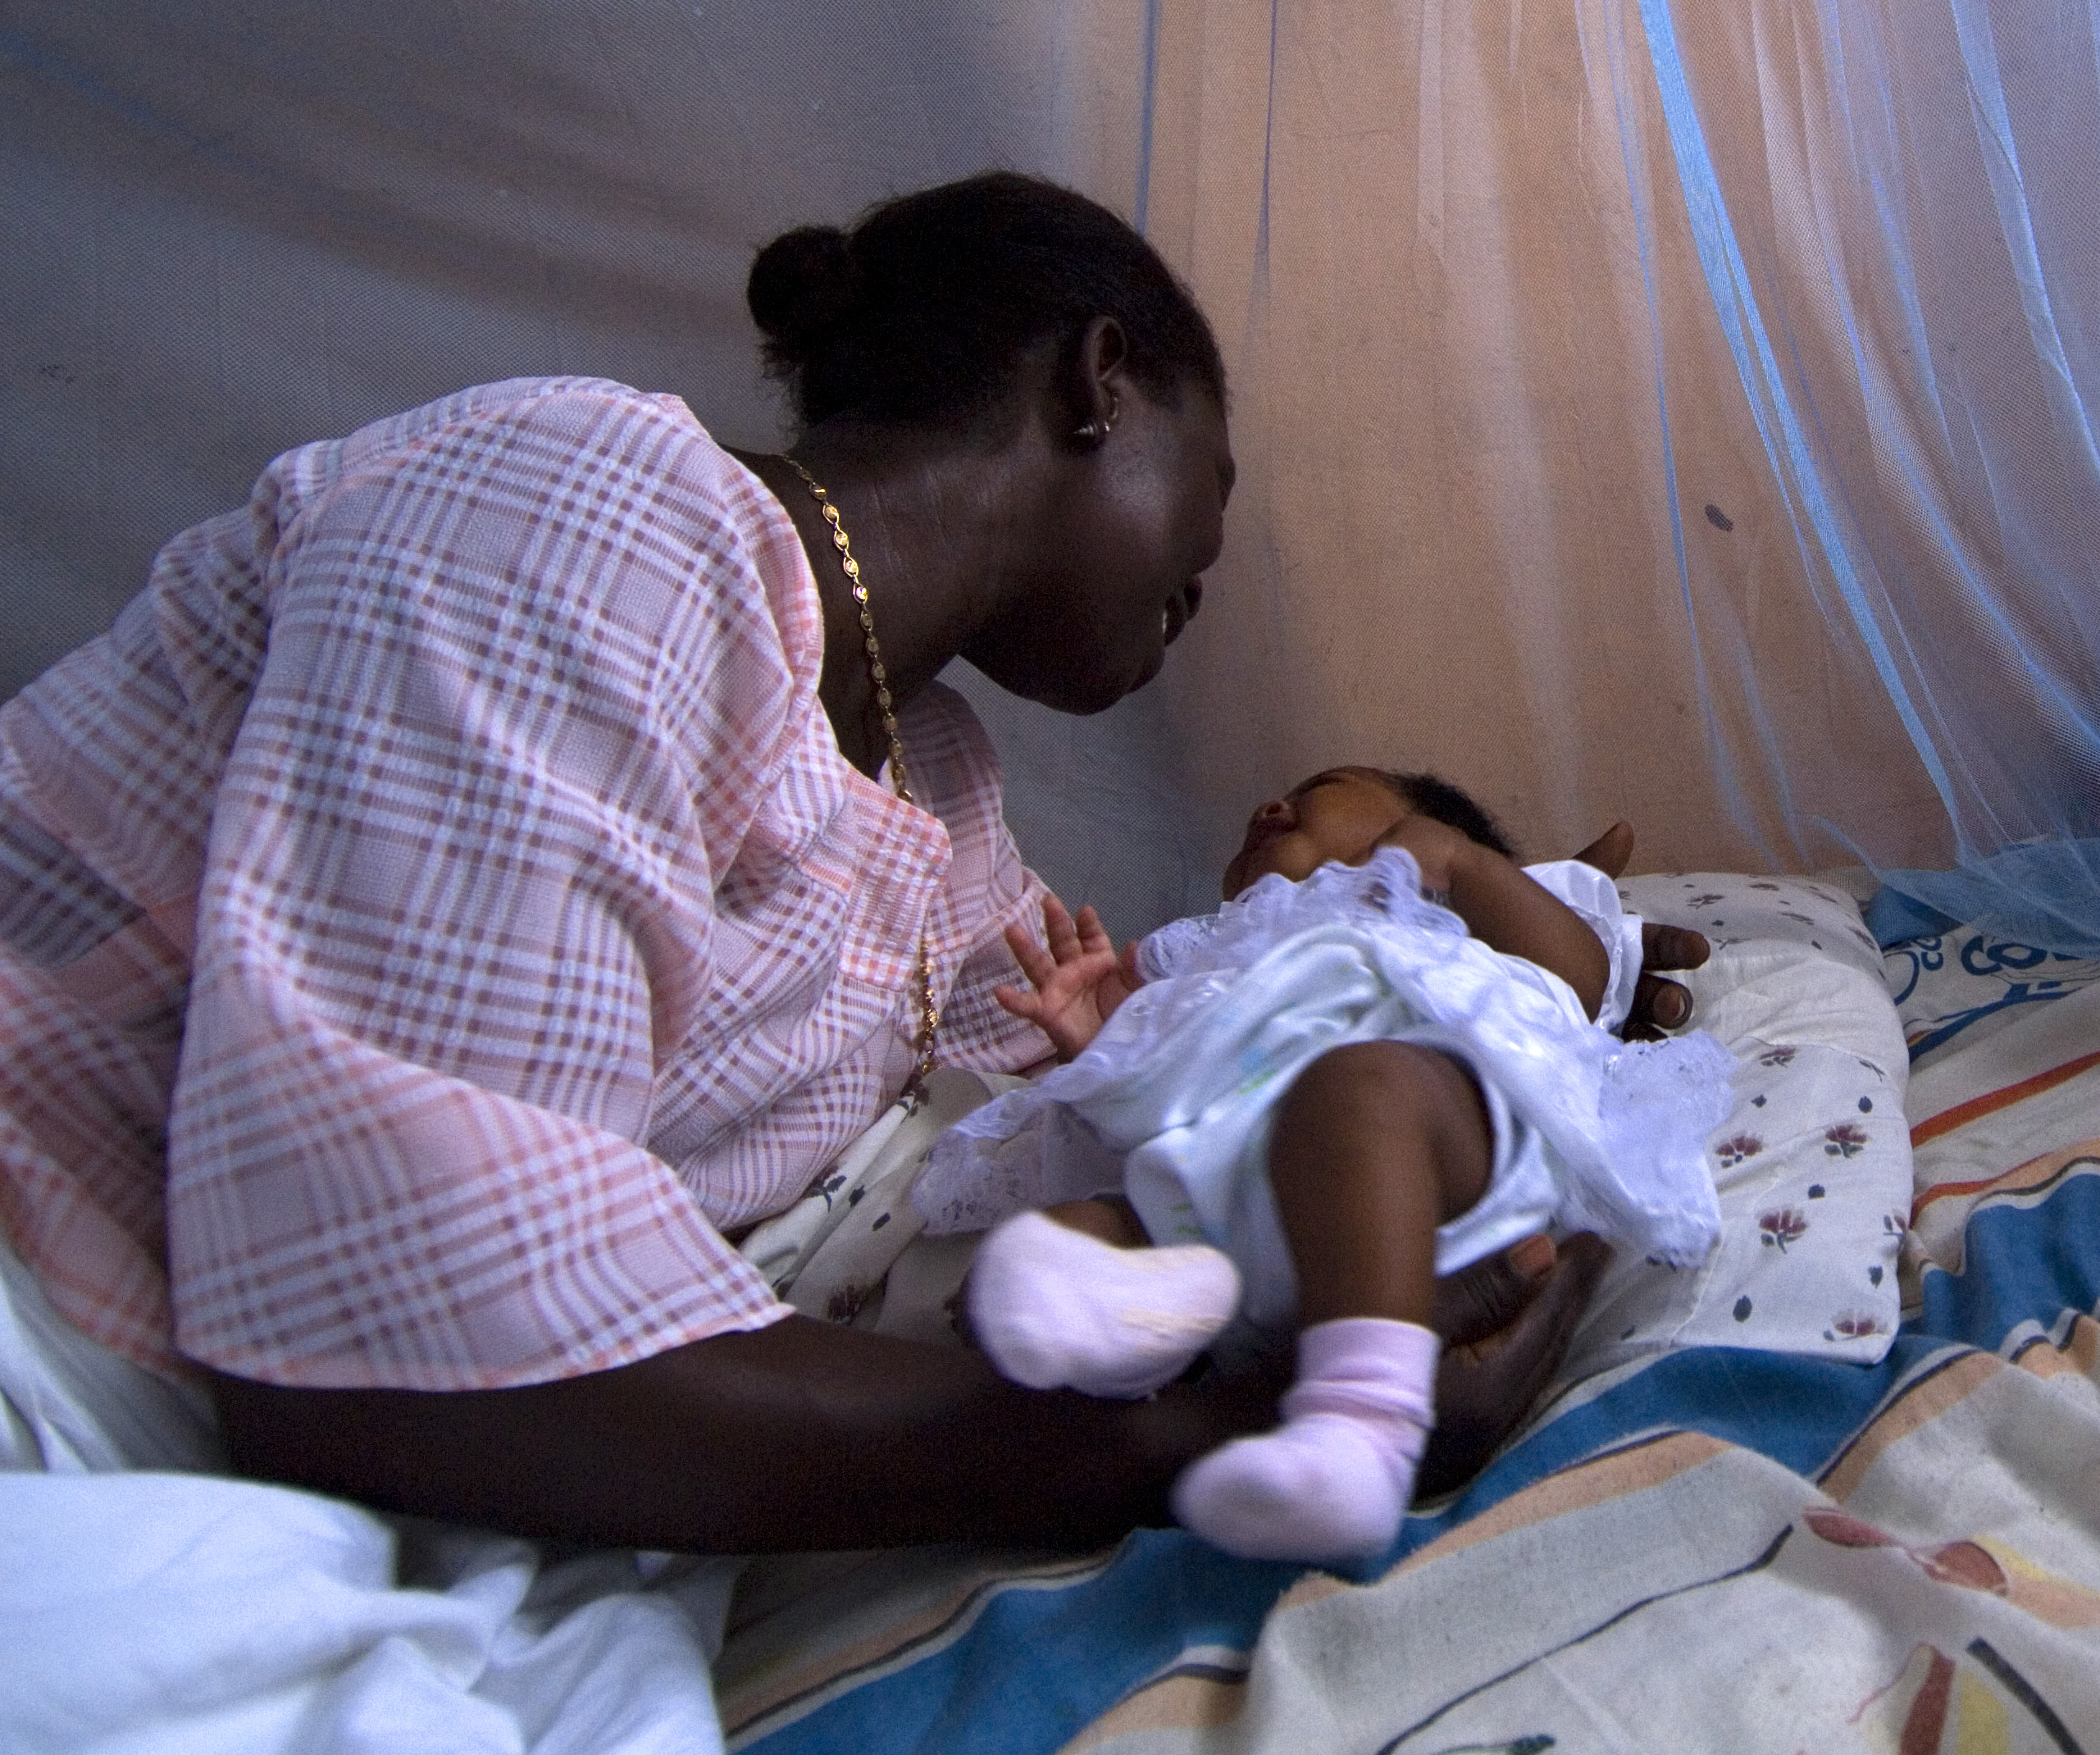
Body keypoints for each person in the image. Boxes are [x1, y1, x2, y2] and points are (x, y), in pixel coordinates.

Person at [0, 170, 1601, 1550]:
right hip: (50, 1303)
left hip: (282, 1442)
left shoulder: (945, 791)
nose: (1205, 578)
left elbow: (1081, 1145)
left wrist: (1432, 1232)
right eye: (1214, 500)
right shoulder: (593, 511)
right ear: (1095, 380)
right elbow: (388, 1336)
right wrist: (1200, 1446)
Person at [922, 765, 1732, 1564]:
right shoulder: (1212, 945)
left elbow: (1578, 978)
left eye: (1321, 787)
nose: (1269, 803)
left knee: (1354, 1088)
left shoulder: (1455, 899)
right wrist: (1104, 1042)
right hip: (1231, 1186)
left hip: (1430, 1154)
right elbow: (1181, 1086)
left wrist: (1464, 862)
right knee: (1092, 1224)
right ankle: (1145, 1320)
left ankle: (1359, 1435)